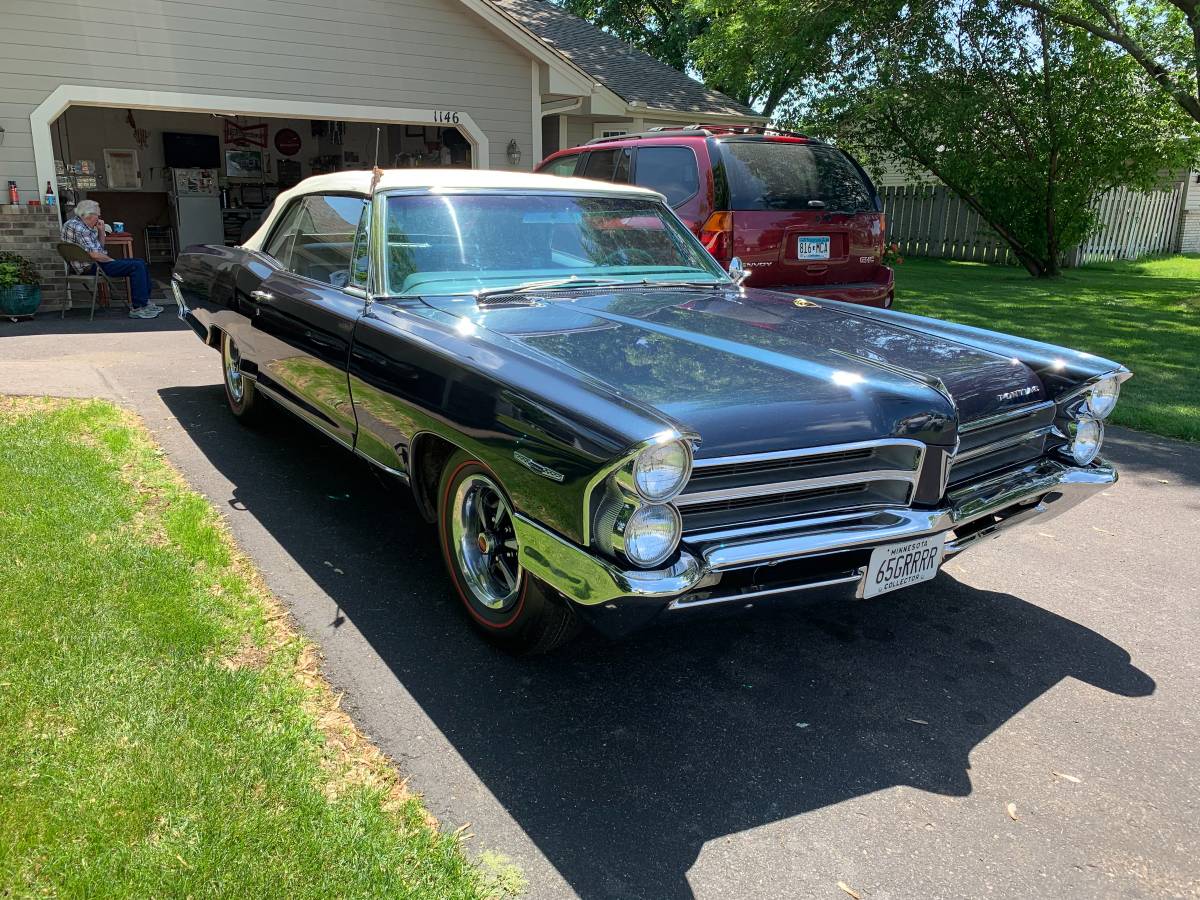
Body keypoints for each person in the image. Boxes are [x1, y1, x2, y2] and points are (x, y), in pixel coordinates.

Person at [61, 200, 162, 318]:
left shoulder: (75, 224)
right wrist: (111, 260)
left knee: (140, 262)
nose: (99, 219)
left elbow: (99, 248)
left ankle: (145, 302)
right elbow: (95, 255)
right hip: (90, 266)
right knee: (137, 266)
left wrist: (101, 231)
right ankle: (139, 307)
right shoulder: (80, 228)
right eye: (97, 216)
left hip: (90, 264)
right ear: (89, 215)